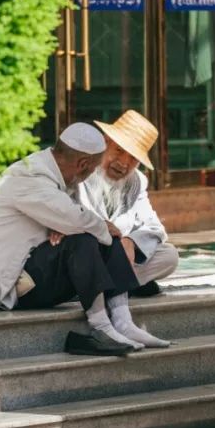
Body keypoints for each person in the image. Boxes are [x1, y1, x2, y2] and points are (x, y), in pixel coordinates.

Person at [0, 122, 150, 357]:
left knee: (103, 234)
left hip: (34, 272)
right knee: (89, 236)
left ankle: (123, 321)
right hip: (12, 287)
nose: (91, 175)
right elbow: (76, 218)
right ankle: (101, 327)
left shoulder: (58, 174)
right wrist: (78, 225)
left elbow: (70, 216)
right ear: (83, 164)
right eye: (93, 169)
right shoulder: (30, 175)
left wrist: (68, 225)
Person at [78, 109, 180, 302]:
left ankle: (109, 286)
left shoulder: (137, 182)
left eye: (133, 158)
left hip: (112, 262)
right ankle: (123, 285)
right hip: (83, 257)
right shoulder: (80, 170)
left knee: (169, 256)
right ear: (105, 143)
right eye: (119, 151)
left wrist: (132, 242)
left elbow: (156, 229)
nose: (124, 163)